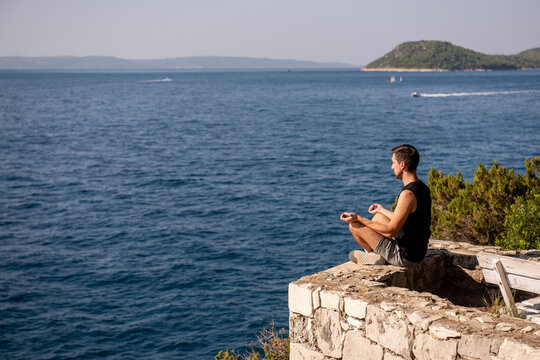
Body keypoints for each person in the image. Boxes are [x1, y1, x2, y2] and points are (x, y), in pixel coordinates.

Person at [340, 144, 431, 266]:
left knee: (354, 226)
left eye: (393, 163)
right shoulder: (422, 188)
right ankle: (376, 254)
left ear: (402, 165)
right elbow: (407, 219)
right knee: (378, 217)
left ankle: (373, 256)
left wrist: (358, 218)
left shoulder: (407, 194)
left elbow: (390, 232)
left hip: (405, 257)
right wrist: (382, 210)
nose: (392, 167)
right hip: (417, 251)